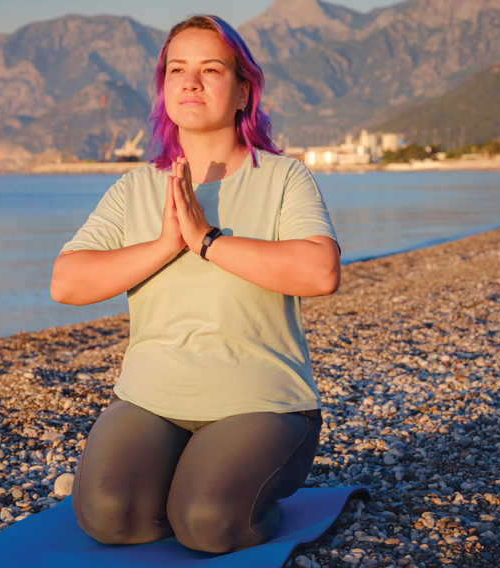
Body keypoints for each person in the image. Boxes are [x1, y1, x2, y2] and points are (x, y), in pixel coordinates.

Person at [49, 15, 341, 554]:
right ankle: (182, 479)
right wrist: (164, 244)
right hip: (150, 399)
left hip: (261, 401)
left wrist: (206, 238)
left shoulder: (283, 177)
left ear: (243, 91)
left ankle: (235, 498)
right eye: (177, 69)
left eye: (211, 69)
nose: (191, 81)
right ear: (164, 90)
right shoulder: (135, 188)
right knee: (110, 517)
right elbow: (66, 283)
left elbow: (320, 272)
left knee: (207, 523)